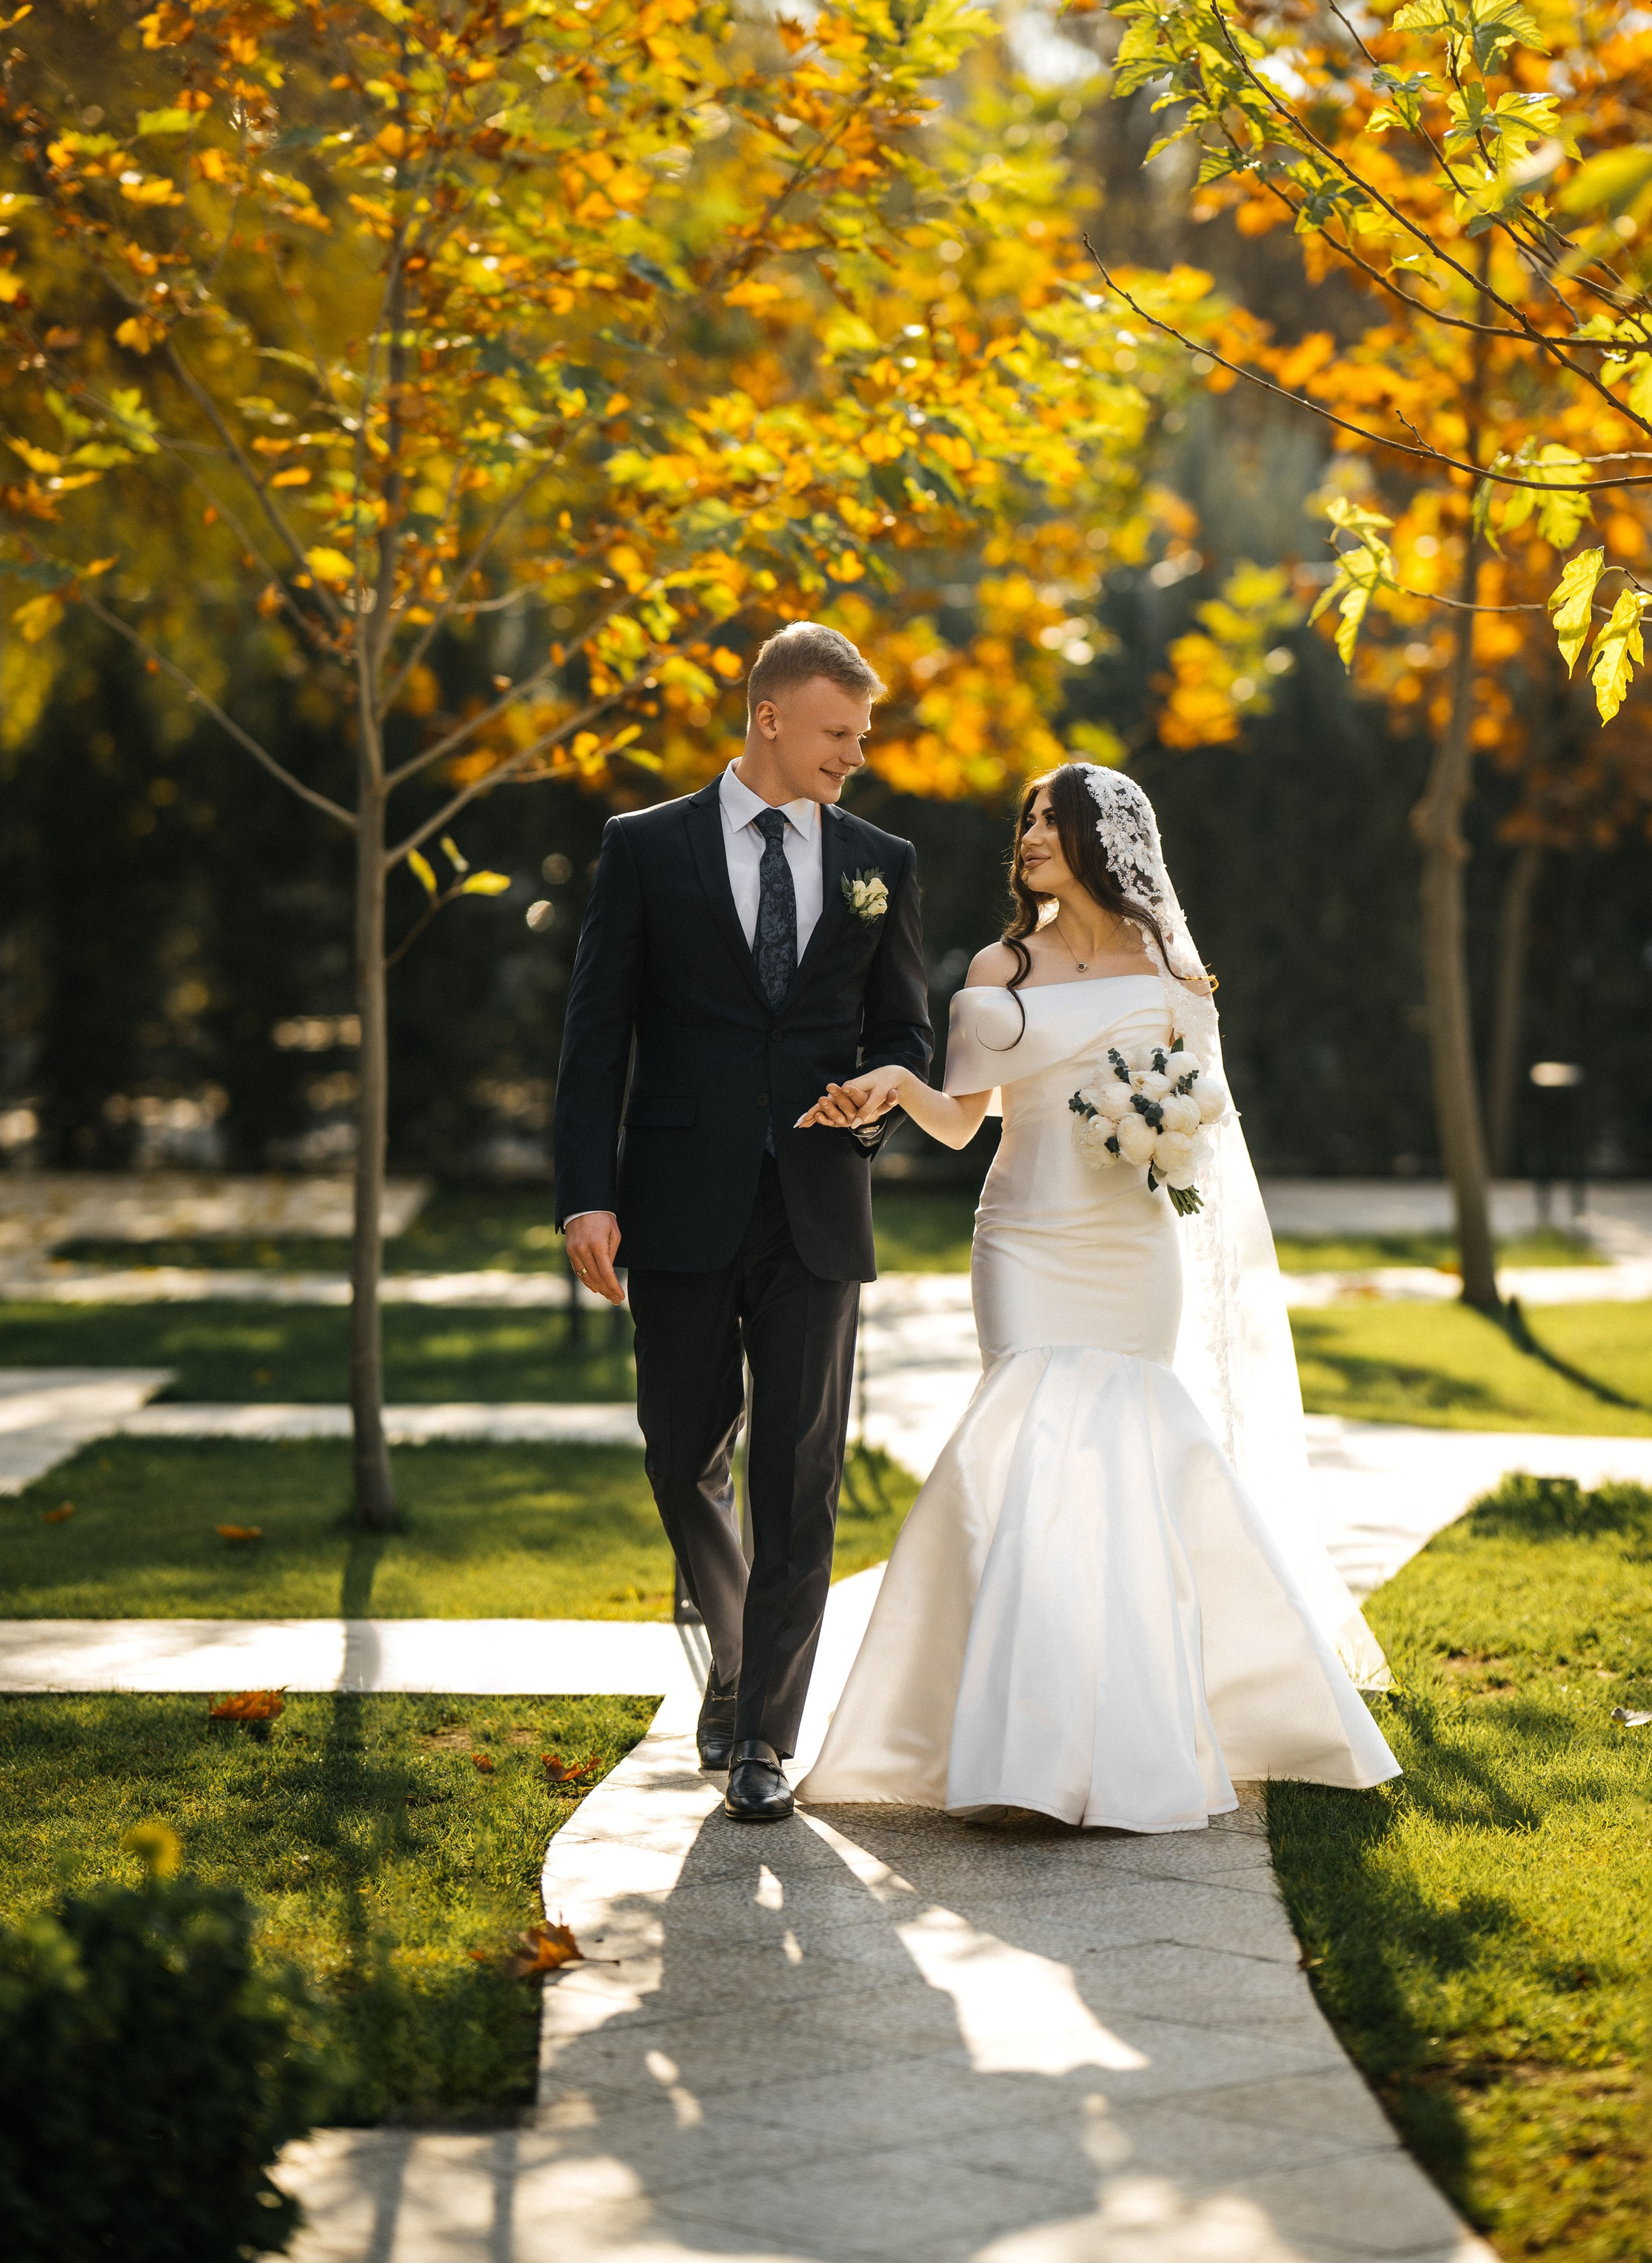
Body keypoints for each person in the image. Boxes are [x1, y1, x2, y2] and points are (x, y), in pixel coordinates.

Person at [793, 760, 1398, 1831]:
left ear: (1101, 842)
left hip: (1130, 1242)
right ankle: (1013, 1751)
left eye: (1050, 821)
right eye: (1026, 819)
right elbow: (964, 1119)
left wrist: (1160, 1126)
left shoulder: (1168, 966)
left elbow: (1207, 1111)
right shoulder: (999, 964)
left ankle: (1117, 1736)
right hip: (1023, 1238)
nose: (1028, 836)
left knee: (1122, 1464)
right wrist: (897, 1085)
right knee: (1026, 1445)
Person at [555, 623, 931, 1823]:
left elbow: (906, 1033)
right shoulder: (645, 847)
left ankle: (766, 1733)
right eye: (838, 733)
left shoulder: (880, 861)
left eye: (862, 736)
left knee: (802, 1474)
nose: (855, 756)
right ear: (770, 716)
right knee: (679, 1454)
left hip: (817, 1208)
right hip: (677, 1199)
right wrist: (586, 1193)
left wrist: (879, 1093)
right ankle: (734, 1648)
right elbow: (594, 1033)